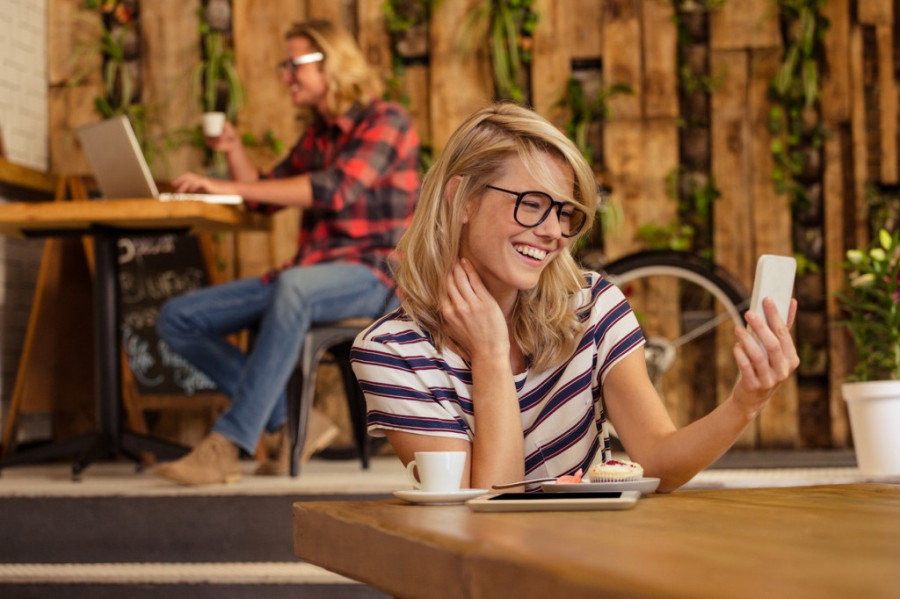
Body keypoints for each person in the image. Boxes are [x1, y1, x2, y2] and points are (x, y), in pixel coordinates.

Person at [350, 103, 799, 493]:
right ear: (461, 198)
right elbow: (488, 511)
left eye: (565, 212)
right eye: (531, 203)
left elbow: (657, 460)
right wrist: (489, 357)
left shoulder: (593, 306)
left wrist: (744, 404)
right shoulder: (391, 354)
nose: (554, 232)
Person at [154, 19, 420, 485]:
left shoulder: (387, 120)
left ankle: (228, 444)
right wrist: (233, 151)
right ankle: (294, 421)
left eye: (293, 64)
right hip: (309, 275)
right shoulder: (318, 136)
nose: (285, 75)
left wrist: (227, 186)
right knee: (178, 318)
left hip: (374, 275)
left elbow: (336, 189)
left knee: (293, 288)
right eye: (284, 65)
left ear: (329, 62)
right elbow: (263, 194)